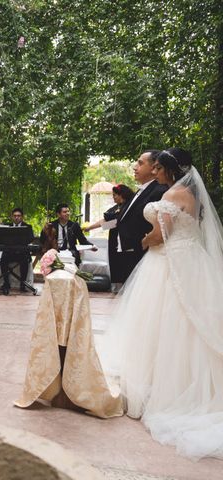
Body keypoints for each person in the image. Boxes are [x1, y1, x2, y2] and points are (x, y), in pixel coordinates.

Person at [100, 148, 223, 460]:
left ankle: (160, 388)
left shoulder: (173, 193)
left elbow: (160, 234)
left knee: (164, 322)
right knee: (187, 323)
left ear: (168, 168)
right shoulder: (190, 193)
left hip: (169, 262)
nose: (153, 171)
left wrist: (143, 241)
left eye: (157, 167)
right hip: (190, 258)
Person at [115, 150, 168, 282]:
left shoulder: (160, 191)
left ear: (153, 167)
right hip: (130, 254)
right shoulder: (140, 190)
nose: (135, 167)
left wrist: (141, 245)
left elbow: (161, 225)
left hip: (144, 254)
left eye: (140, 163)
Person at [84, 184, 135, 290]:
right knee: (115, 262)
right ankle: (117, 287)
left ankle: (128, 287)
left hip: (126, 239)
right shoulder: (115, 208)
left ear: (122, 195)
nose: (113, 197)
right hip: (114, 238)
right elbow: (106, 222)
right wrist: (90, 228)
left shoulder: (130, 207)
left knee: (125, 263)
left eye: (115, 195)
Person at [0, 208, 33, 294]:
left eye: (18, 216)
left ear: (22, 217)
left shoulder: (28, 227)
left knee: (25, 260)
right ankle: (6, 284)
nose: (16, 218)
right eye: (15, 216)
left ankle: (23, 284)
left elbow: (30, 239)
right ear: (12, 217)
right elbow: (2, 239)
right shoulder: (7, 227)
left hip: (22, 253)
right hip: (9, 252)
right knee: (3, 260)